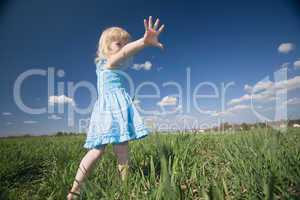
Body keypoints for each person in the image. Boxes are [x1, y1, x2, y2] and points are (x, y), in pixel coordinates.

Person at [67, 16, 165, 200]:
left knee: (118, 149)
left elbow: (125, 53)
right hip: (111, 109)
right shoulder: (109, 63)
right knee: (100, 150)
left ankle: (122, 189)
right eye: (118, 43)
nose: (123, 47)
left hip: (112, 108)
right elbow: (125, 53)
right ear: (106, 47)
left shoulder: (109, 67)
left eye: (124, 43)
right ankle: (76, 189)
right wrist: (144, 41)